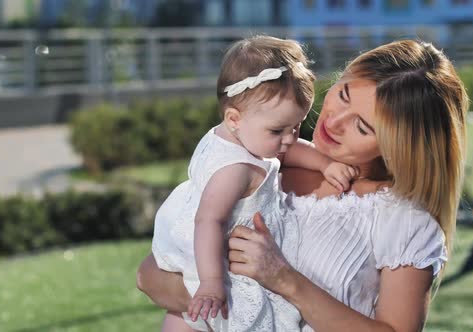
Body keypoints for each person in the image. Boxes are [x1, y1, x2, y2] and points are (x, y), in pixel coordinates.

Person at [139, 39, 468, 332]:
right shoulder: (264, 164)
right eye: (343, 95)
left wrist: (284, 280)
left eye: (363, 127)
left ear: (399, 147)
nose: (333, 122)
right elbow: (150, 277)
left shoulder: (404, 222)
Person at [151, 36, 357, 331]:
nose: (290, 138)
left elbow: (291, 149)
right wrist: (211, 284)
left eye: (297, 125)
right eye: (278, 130)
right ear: (234, 118)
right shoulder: (234, 169)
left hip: (210, 252)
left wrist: (325, 164)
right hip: (218, 262)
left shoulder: (239, 135)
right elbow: (208, 220)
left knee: (185, 318)